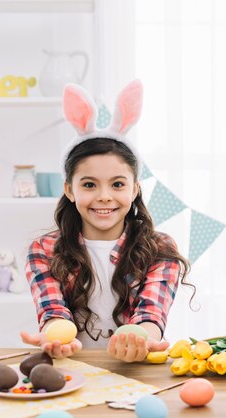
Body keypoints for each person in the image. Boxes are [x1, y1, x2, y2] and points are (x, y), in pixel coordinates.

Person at [20, 80, 194, 363]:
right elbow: (53, 312)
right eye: (89, 185)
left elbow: (151, 315)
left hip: (133, 371)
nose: (104, 197)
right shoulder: (44, 250)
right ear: (69, 189)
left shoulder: (160, 249)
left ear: (135, 188)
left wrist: (140, 337)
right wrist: (53, 335)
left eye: (117, 184)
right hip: (71, 370)